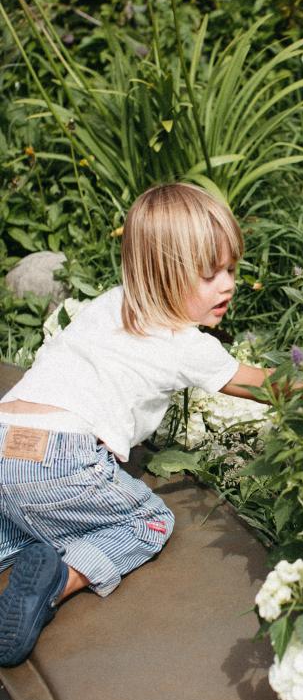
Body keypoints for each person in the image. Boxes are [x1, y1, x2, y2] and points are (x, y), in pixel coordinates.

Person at [0, 183, 279, 666]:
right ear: (165, 275)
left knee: (22, 513)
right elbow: (258, 385)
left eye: (231, 269)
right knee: (147, 520)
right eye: (210, 274)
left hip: (6, 436)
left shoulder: (108, 303)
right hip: (61, 458)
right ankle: (53, 584)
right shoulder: (183, 343)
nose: (228, 284)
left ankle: (25, 549)